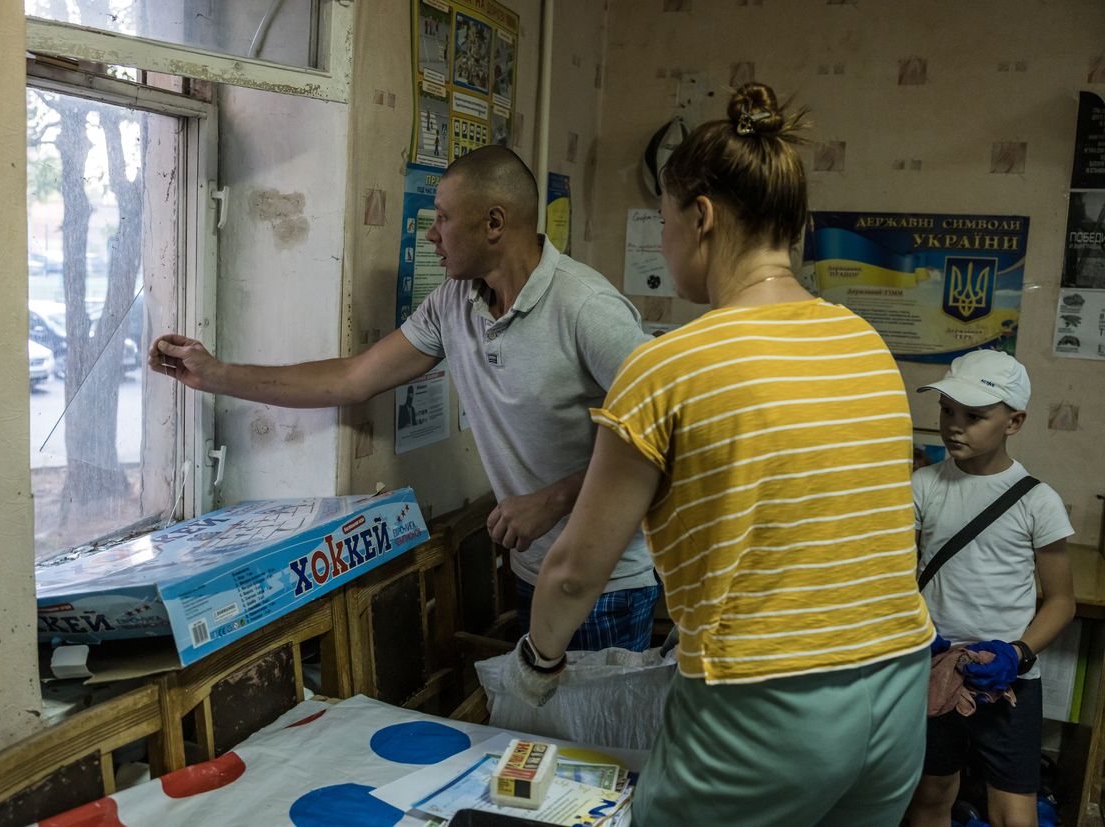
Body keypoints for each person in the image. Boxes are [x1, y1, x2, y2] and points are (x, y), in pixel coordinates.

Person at [506, 82, 935, 825]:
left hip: (767, 707)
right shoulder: (863, 343)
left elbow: (575, 570)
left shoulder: (670, 366)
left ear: (700, 217)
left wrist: (537, 662)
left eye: (664, 220)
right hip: (897, 695)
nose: (664, 239)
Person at [150, 144, 659, 652]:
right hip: (533, 571)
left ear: (494, 223)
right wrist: (215, 374)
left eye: (442, 218)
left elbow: (674, 433)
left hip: (606, 585)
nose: (431, 234)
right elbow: (351, 379)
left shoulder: (587, 309)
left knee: (589, 734)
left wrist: (554, 499)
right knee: (540, 731)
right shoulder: (452, 303)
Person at [905, 350, 1075, 827]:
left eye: (974, 416)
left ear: (1013, 421)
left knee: (1014, 813)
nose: (955, 426)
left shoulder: (1037, 501)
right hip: (934, 667)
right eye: (947, 411)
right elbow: (896, 576)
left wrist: (1017, 654)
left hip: (1008, 680)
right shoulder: (923, 485)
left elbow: (1062, 601)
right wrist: (918, 631)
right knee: (931, 792)